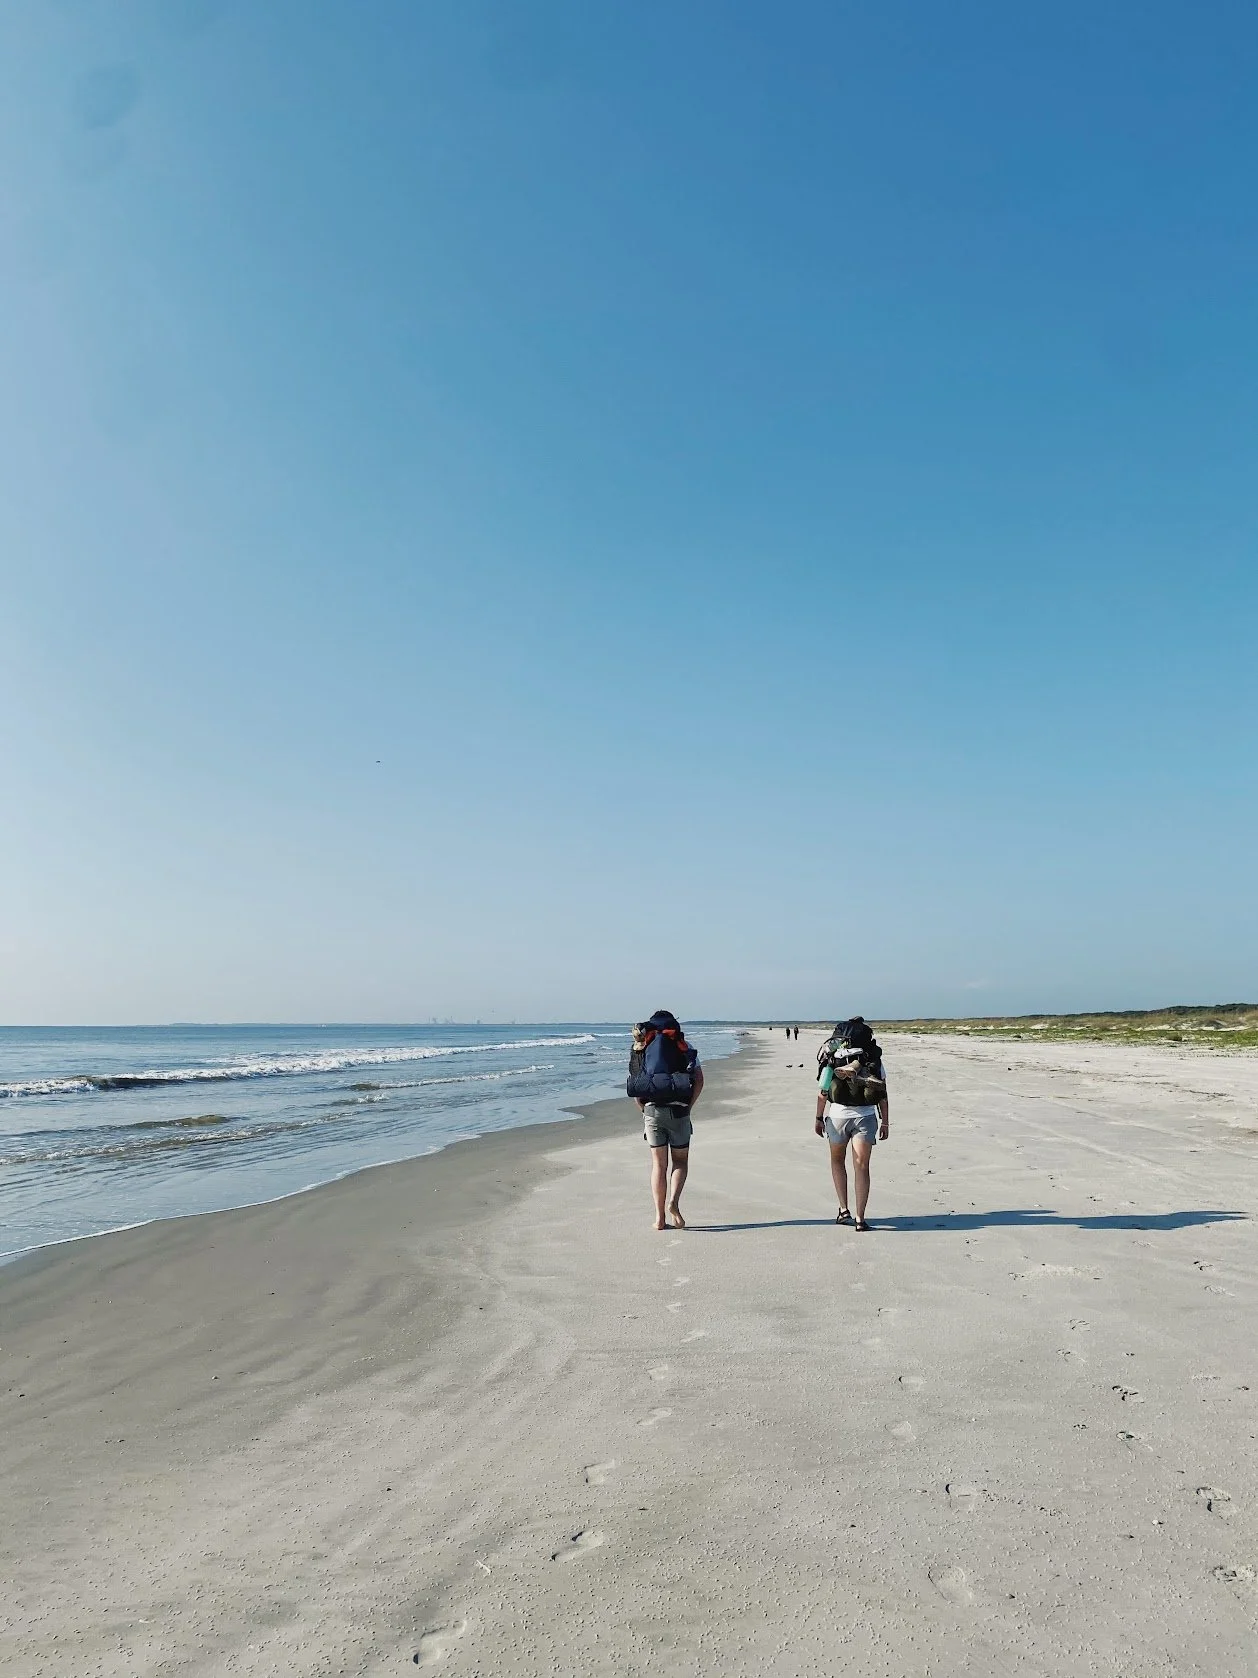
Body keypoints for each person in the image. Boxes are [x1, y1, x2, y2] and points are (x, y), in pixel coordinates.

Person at [627, 1010, 704, 1231]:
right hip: (679, 1110)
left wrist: (643, 1109)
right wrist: (688, 1106)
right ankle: (674, 1202)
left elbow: (636, 1082)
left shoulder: (642, 1046)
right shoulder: (683, 1044)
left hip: (652, 1111)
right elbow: (698, 1079)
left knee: (658, 1165)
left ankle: (659, 1218)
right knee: (680, 1161)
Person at [813, 1017, 889, 1231]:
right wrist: (885, 1123)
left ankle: (843, 1210)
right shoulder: (873, 1058)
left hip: (837, 1116)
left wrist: (819, 1118)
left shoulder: (831, 1058)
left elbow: (822, 1093)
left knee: (837, 1162)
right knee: (862, 1167)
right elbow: (882, 1093)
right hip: (865, 1116)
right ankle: (860, 1219)